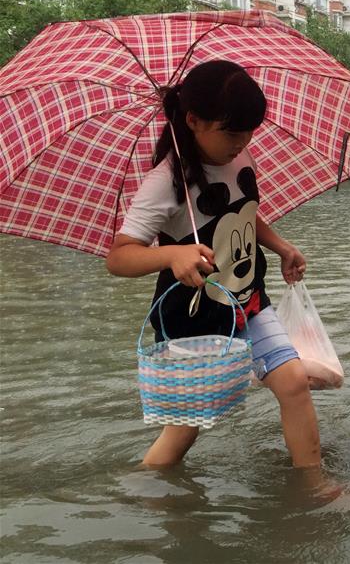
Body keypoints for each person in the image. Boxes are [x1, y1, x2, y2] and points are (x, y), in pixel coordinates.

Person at [106, 60, 324, 476]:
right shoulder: (165, 182)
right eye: (231, 132)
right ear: (193, 120)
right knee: (186, 427)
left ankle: (315, 486)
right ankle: (144, 491)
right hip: (195, 319)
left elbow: (243, 214)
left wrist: (281, 247)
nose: (242, 143)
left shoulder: (240, 158)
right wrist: (171, 255)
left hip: (248, 300)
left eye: (249, 132)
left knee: (294, 384)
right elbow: (119, 256)